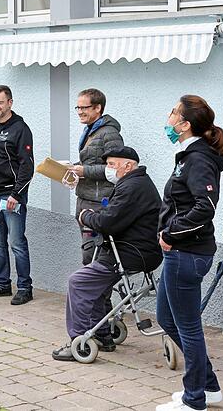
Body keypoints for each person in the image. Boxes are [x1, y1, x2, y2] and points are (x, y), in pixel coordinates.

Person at [52, 146, 162, 361]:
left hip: (129, 253)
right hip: (137, 251)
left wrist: (85, 216)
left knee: (79, 282)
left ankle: (80, 340)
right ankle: (102, 334)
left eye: (112, 165)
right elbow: (114, 216)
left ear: (128, 166)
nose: (108, 169)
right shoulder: (137, 183)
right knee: (96, 283)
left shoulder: (132, 187)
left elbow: (108, 222)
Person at [155, 95, 223, 411]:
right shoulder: (188, 155)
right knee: (166, 318)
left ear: (185, 124)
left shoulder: (197, 160)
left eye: (173, 112)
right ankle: (208, 387)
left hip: (187, 252)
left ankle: (194, 398)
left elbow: (205, 206)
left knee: (187, 327)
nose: (168, 116)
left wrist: (171, 232)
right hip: (181, 252)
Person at [0, 84, 35, 305]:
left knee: (17, 243)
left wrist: (16, 195)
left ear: (9, 103)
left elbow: (27, 167)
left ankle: (24, 287)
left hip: (10, 196)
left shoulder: (20, 129)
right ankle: (2, 284)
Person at [67, 88, 124, 265]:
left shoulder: (110, 133)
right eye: (78, 108)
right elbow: (91, 160)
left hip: (99, 203)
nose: (80, 112)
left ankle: (97, 292)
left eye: (84, 107)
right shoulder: (91, 130)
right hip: (85, 198)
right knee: (88, 251)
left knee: (95, 254)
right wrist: (72, 169)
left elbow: (117, 169)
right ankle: (92, 292)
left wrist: (84, 171)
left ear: (98, 108)